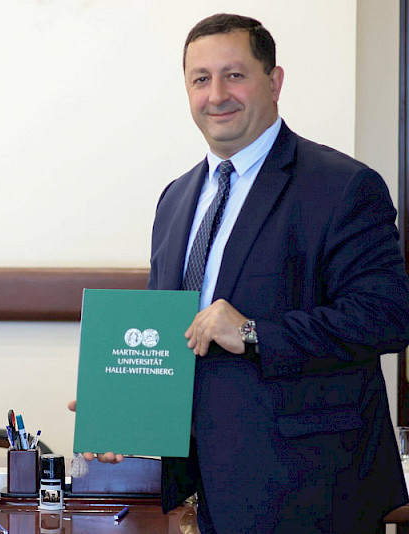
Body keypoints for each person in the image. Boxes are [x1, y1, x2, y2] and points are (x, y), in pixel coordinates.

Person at [71, 13, 409, 533]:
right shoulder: (176, 198)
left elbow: (385, 317)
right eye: (200, 79)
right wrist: (122, 407)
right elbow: (171, 335)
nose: (216, 94)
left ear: (273, 81)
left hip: (314, 489)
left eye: (235, 75)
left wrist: (253, 333)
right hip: (210, 488)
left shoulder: (343, 186)